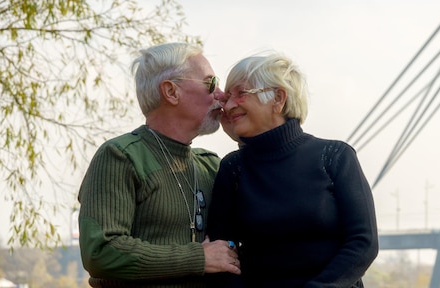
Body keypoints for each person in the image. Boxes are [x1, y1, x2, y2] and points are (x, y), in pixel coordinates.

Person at [207, 51, 379, 287]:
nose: (228, 104)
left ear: (278, 98)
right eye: (227, 96)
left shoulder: (335, 156)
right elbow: (223, 252)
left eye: (241, 93)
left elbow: (363, 242)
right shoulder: (233, 168)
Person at [78, 42, 241, 288]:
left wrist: (244, 136)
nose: (221, 95)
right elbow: (101, 251)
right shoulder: (121, 157)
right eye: (210, 83)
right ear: (171, 91)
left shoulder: (212, 165)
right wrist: (198, 257)